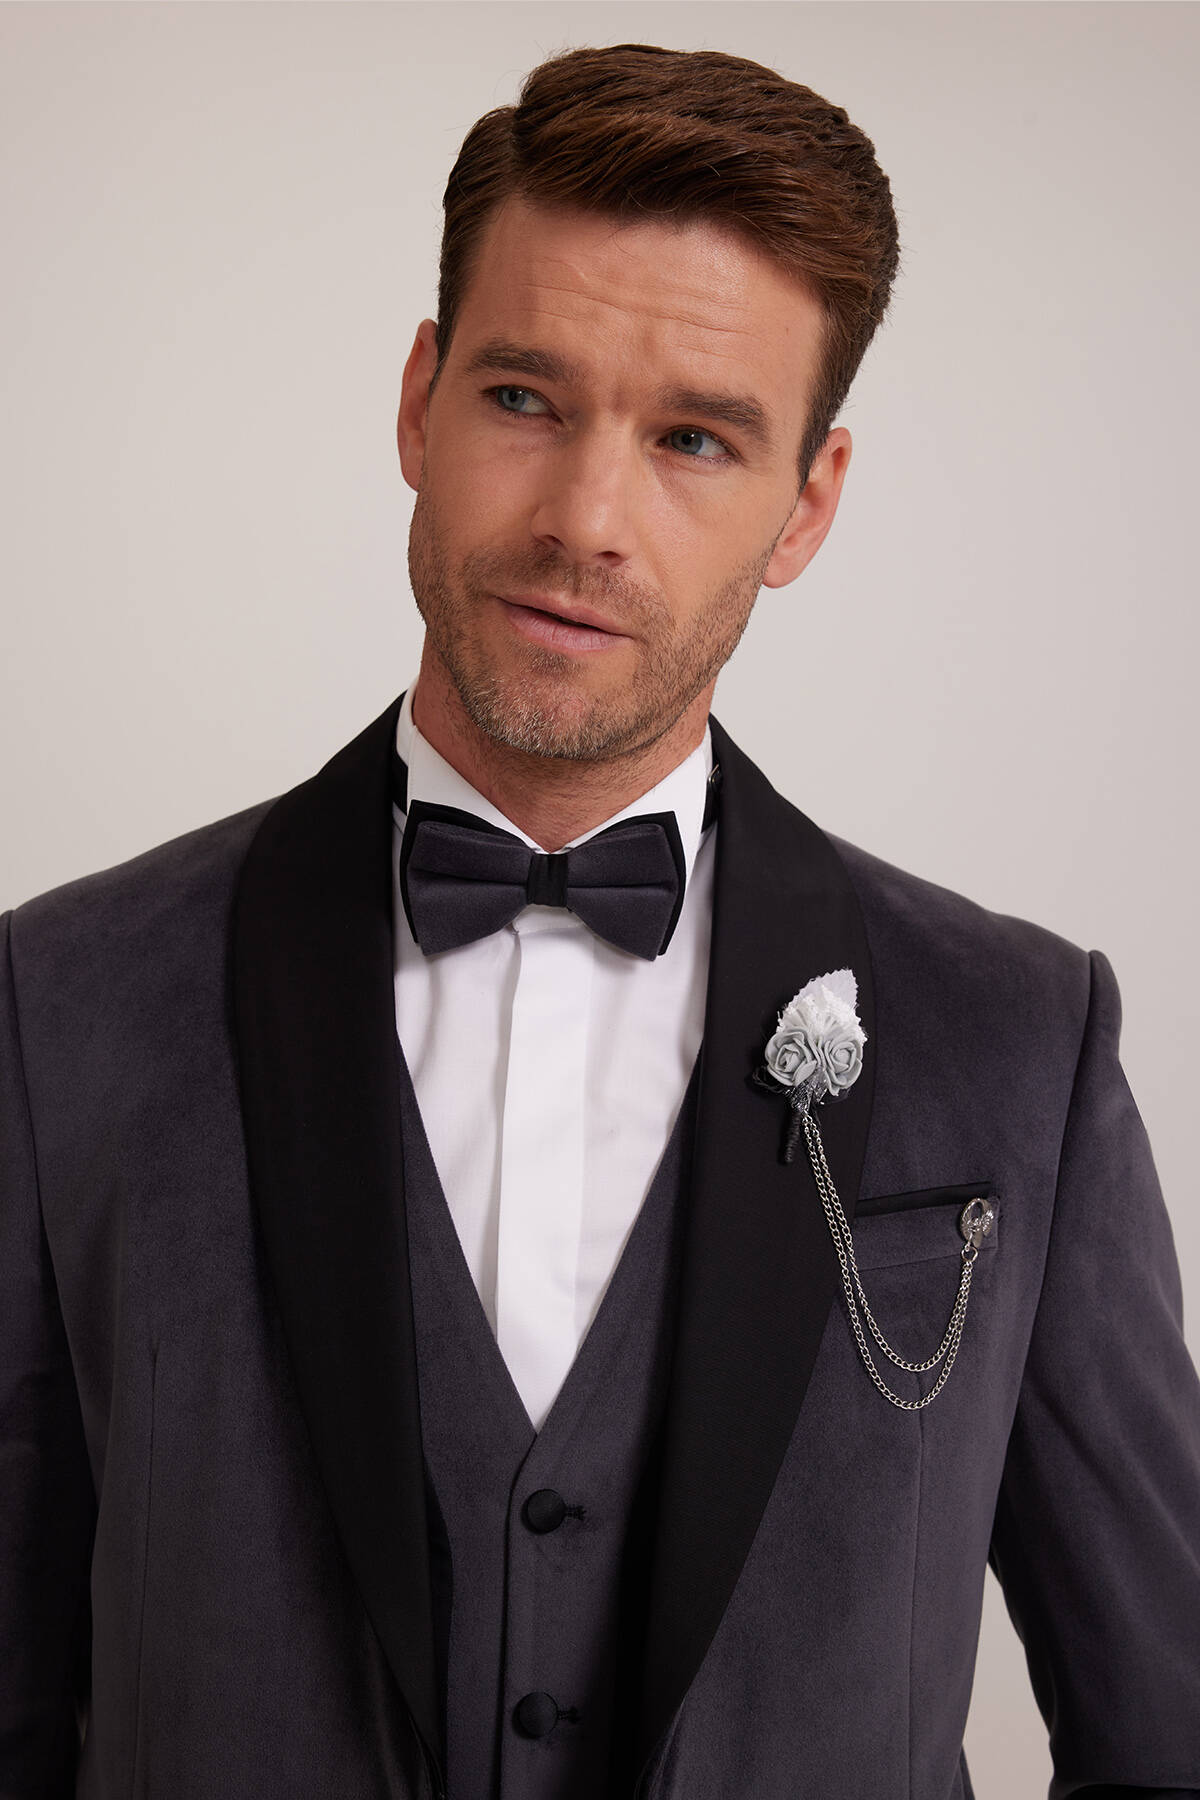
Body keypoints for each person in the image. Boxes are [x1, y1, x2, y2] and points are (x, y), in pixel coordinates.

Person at [1, 39, 1197, 1800]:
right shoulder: (61, 1005)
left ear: (807, 505)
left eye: (696, 439)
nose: (584, 521)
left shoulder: (1021, 1042)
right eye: (522, 398)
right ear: (418, 400)